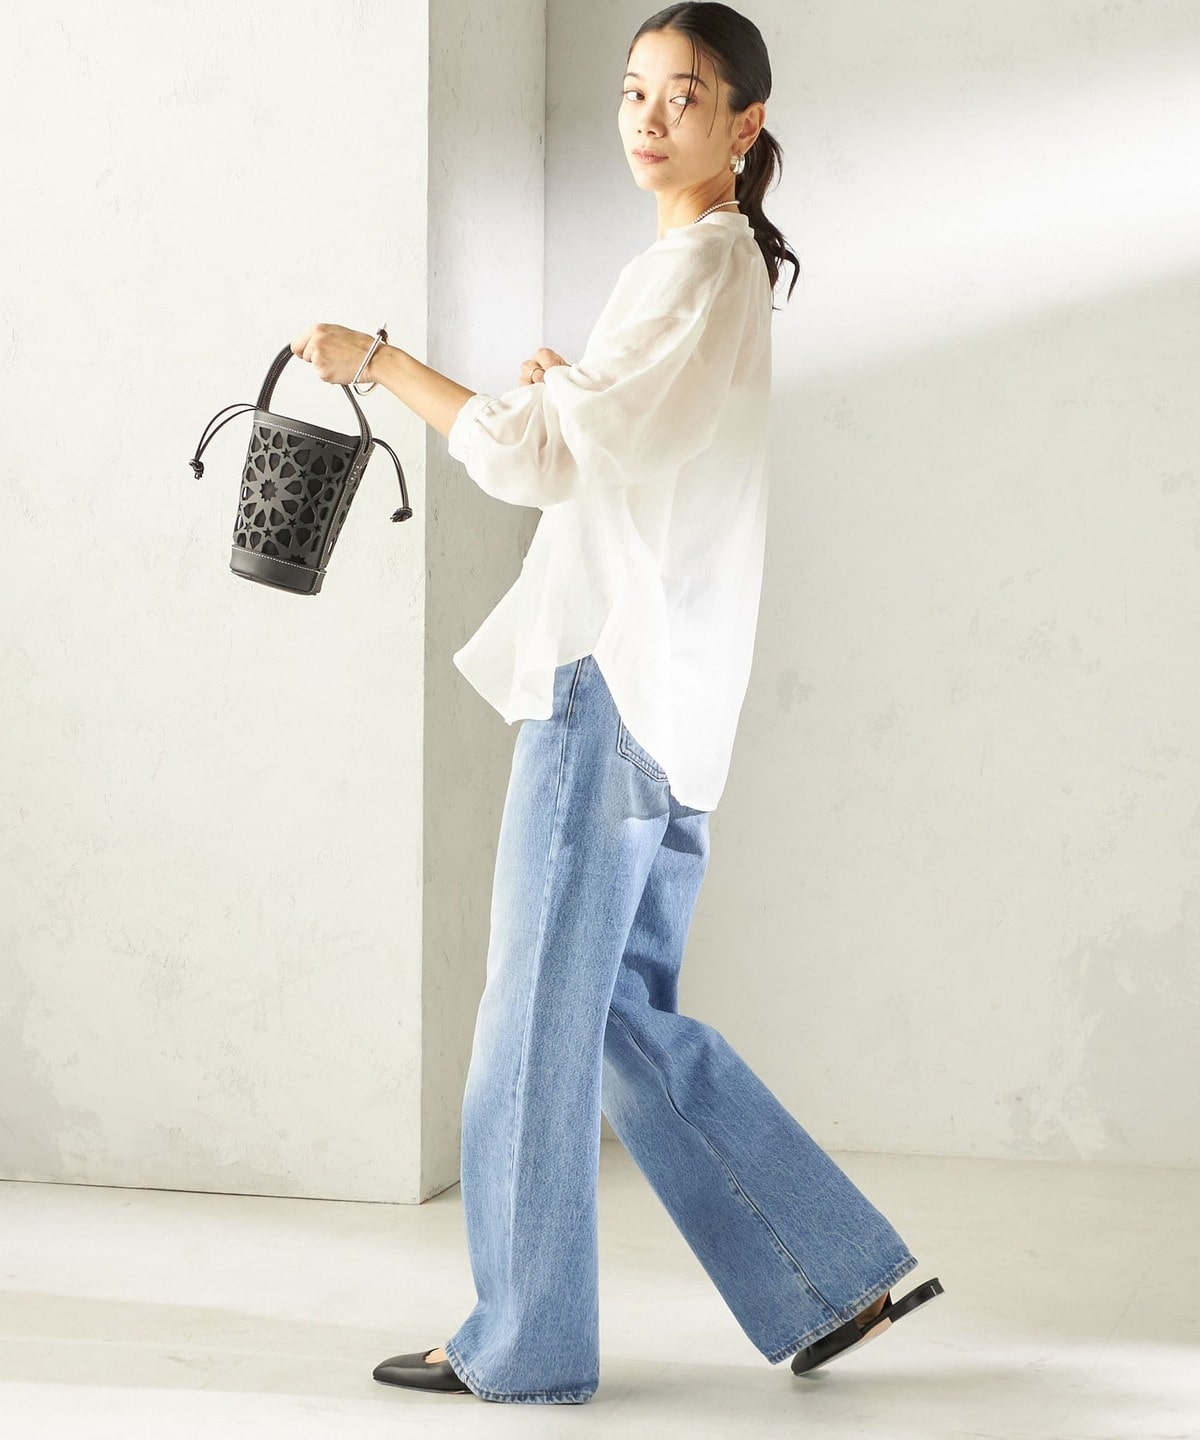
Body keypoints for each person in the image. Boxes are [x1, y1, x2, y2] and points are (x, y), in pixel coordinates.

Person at [291, 1, 942, 1407]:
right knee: (619, 1014)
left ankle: (525, 1342)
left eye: (684, 96)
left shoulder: (692, 268)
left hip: (612, 683)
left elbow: (535, 462)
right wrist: (568, 391)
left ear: (744, 125)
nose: (649, 117)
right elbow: (612, 444)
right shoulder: (717, 269)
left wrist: (380, 363)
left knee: (536, 1020)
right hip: (676, 695)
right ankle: (826, 1272)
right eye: (635, 89)